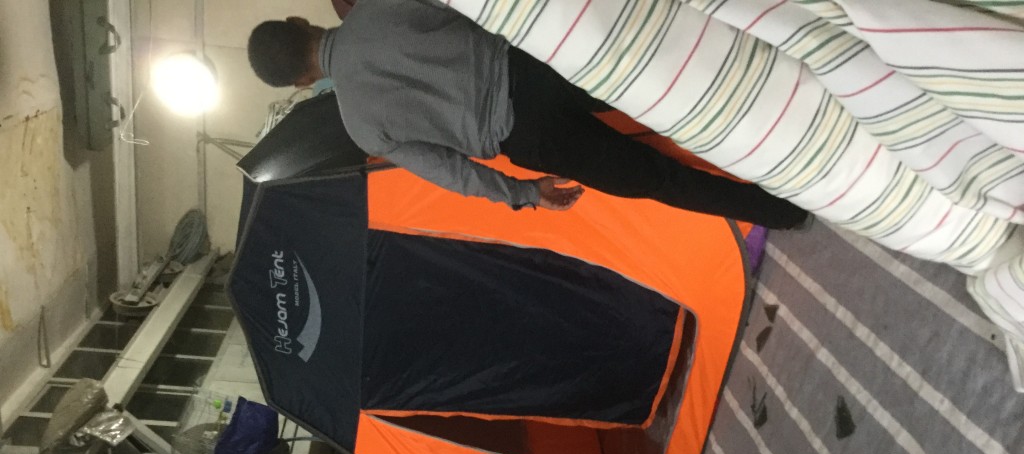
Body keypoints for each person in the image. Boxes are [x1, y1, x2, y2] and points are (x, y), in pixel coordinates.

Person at [246, 0, 808, 227]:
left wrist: (524, 193)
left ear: (300, 82)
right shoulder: (377, 9)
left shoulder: (361, 125)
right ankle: (800, 122)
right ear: (298, 22)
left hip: (527, 136)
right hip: (542, 59)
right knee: (677, 87)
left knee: (656, 178)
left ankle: (783, 210)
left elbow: (451, 172)